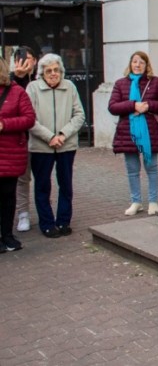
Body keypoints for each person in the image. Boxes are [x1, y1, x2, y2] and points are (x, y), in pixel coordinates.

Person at [108, 51, 158, 216]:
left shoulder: (155, 82)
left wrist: (148, 105)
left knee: (151, 167)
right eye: (135, 62)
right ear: (130, 64)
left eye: (141, 62)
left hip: (150, 133)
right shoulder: (120, 84)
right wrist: (133, 105)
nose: (137, 65)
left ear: (147, 66)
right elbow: (113, 106)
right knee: (132, 169)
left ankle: (153, 201)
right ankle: (136, 202)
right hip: (128, 133)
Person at [26, 54, 85, 238]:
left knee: (65, 184)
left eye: (56, 70)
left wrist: (62, 135)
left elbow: (79, 115)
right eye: (49, 71)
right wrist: (49, 136)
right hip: (41, 146)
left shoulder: (70, 87)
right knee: (43, 185)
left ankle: (63, 221)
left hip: (66, 145)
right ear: (42, 73)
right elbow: (30, 119)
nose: (53, 74)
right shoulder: (33, 88)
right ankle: (47, 223)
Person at [0, 56, 36, 252]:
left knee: (8, 195)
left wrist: (5, 124)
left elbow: (29, 119)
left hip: (11, 151)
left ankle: (7, 234)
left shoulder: (17, 91)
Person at [11, 46, 37, 232]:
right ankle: (23, 213)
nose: (27, 63)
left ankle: (45, 209)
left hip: (44, 137)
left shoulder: (42, 78)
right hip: (23, 138)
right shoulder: (12, 82)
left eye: (30, 59)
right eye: (23, 59)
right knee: (22, 178)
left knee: (43, 178)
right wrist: (18, 77)